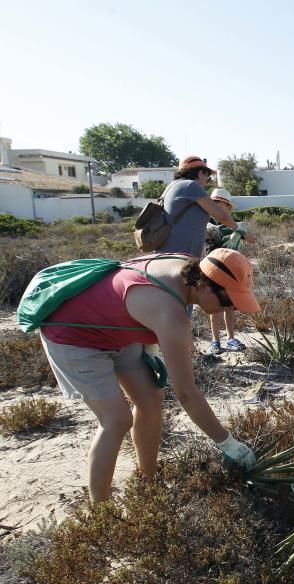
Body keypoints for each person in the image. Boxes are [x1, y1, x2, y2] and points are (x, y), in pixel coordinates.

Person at [37, 249, 261, 502]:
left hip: (115, 327)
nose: (232, 308)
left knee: (151, 399)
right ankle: (101, 512)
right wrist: (227, 443)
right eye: (228, 301)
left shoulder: (186, 265)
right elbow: (187, 394)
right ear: (203, 284)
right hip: (72, 333)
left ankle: (148, 483)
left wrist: (147, 345)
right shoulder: (171, 316)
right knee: (116, 420)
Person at [158, 156, 256, 302]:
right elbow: (221, 215)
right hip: (180, 259)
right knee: (182, 304)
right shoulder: (190, 186)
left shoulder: (172, 187)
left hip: (166, 256)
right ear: (199, 173)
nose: (206, 182)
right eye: (207, 177)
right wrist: (243, 232)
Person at [205, 187, 247, 354]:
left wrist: (238, 232)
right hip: (211, 270)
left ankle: (230, 338)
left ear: (228, 207)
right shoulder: (206, 223)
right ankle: (215, 341)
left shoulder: (235, 224)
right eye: (214, 203)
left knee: (229, 307)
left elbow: (247, 236)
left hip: (230, 271)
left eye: (221, 204)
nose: (218, 207)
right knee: (214, 307)